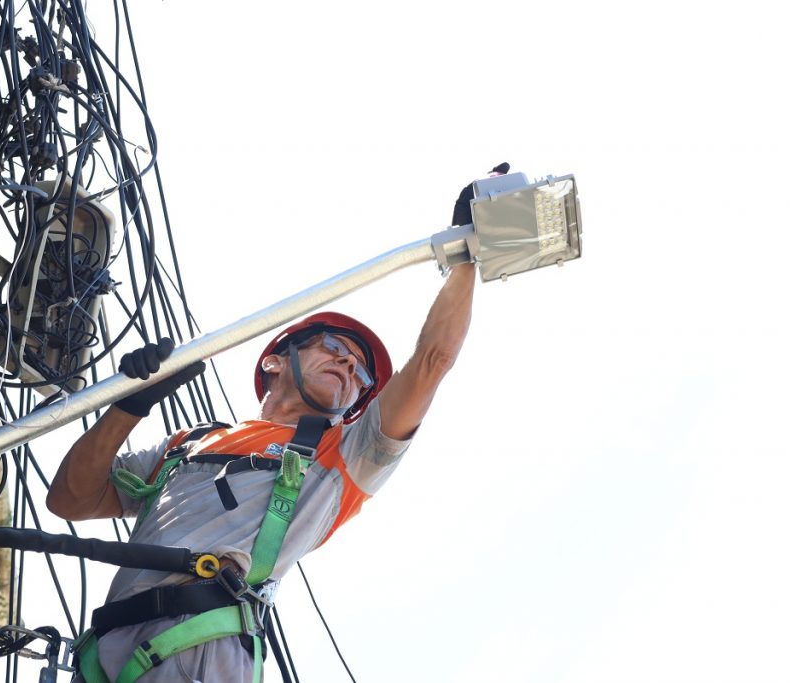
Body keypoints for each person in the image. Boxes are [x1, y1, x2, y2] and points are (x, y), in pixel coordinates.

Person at [47, 168, 501, 682]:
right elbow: (70, 499)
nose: (350, 367)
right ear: (274, 362)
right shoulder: (189, 444)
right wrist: (131, 405)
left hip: (203, 653)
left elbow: (432, 361)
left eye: (361, 371)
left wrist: (465, 255)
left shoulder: (340, 460)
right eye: (334, 348)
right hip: (109, 659)